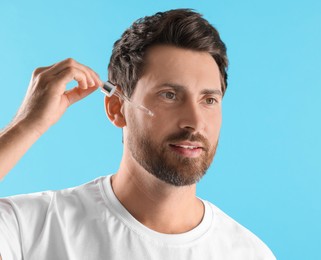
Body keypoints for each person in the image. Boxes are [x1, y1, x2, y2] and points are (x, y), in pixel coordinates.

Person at [0, 9, 276, 260]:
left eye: (209, 100)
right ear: (117, 107)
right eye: (169, 95)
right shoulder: (30, 228)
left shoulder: (250, 253)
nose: (195, 122)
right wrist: (27, 125)